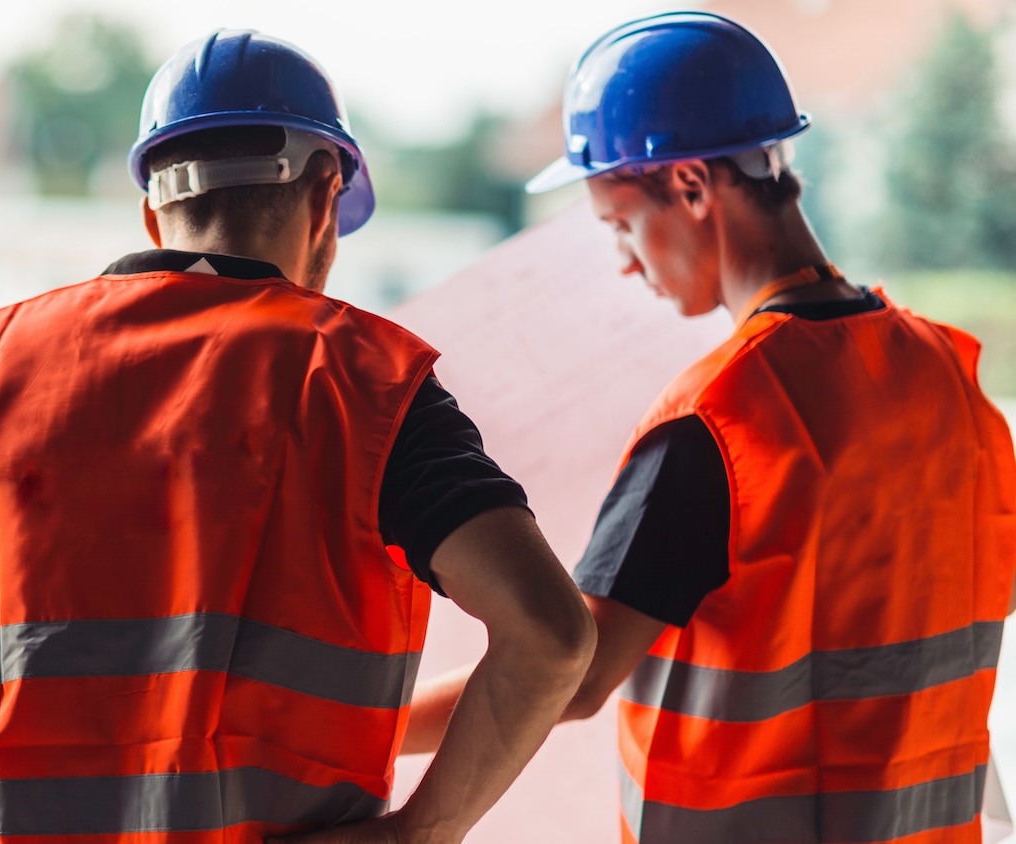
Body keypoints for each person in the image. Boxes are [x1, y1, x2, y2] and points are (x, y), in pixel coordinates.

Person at [0, 29, 594, 844]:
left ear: (155, 214)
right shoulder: (362, 383)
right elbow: (551, 634)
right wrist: (424, 832)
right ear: (326, 196)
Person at [412, 11, 1016, 843]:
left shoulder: (721, 423)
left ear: (692, 187)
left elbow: (569, 676)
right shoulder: (949, 376)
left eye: (620, 223)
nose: (624, 260)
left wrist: (356, 729)